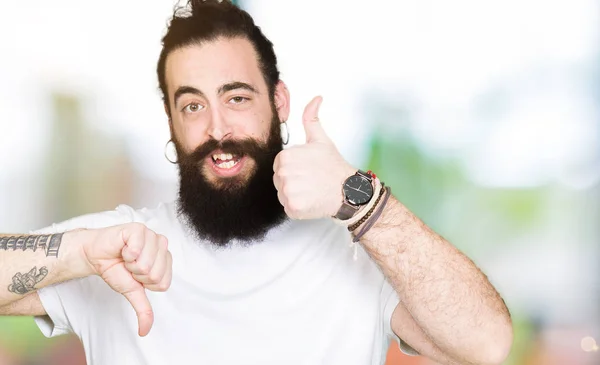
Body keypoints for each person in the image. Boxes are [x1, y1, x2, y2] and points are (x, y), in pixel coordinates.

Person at [0, 1, 513, 364]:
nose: (218, 128)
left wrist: (361, 202)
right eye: (193, 105)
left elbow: (487, 344)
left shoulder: (357, 255)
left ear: (280, 102)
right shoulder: (116, 250)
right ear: (171, 120)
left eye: (238, 98)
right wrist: (79, 253)